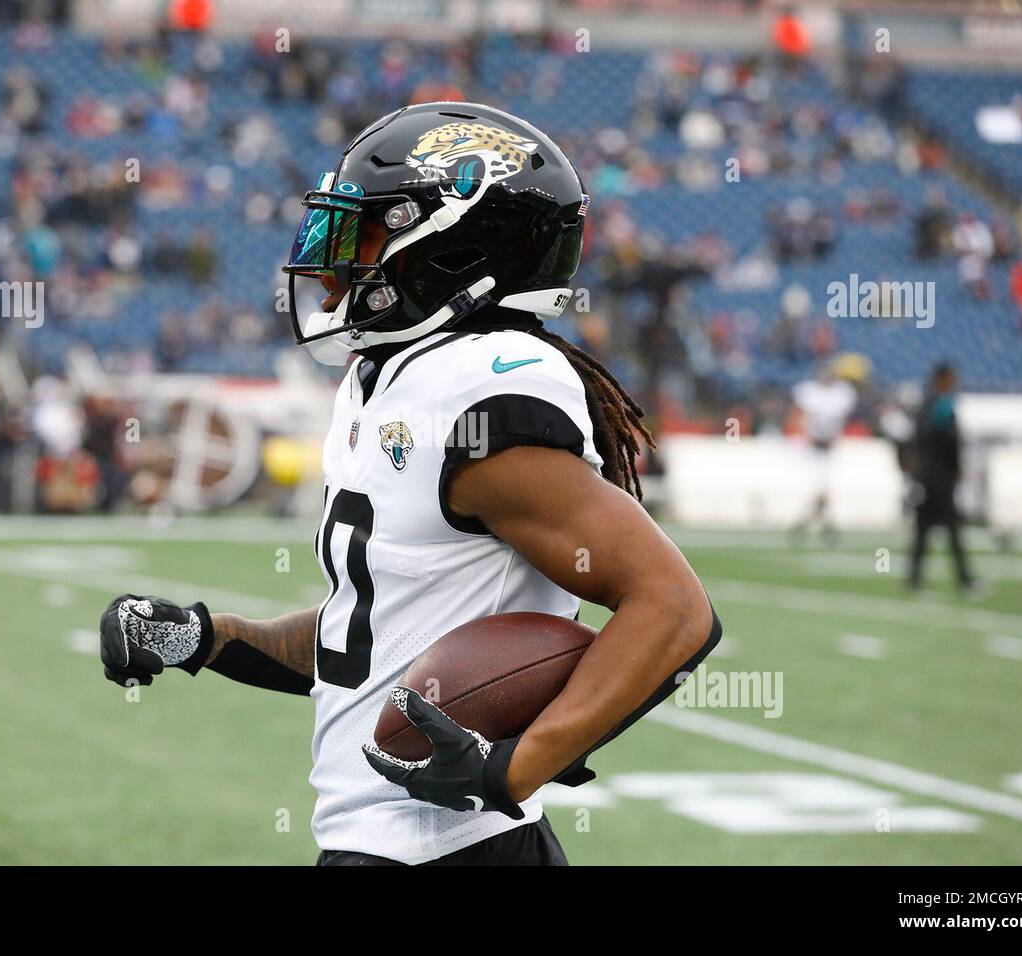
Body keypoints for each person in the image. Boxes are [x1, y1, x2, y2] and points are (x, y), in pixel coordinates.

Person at [95, 103, 721, 865]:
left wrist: (511, 769)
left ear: (449, 249)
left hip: (447, 848)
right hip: (396, 844)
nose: (332, 265)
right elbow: (371, 632)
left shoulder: (477, 389)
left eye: (362, 234)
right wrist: (209, 637)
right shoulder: (386, 382)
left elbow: (674, 607)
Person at [907, 363, 975, 592]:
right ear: (944, 378)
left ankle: (913, 579)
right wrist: (957, 469)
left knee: (922, 530)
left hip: (923, 477)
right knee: (953, 529)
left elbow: (914, 441)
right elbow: (951, 442)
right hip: (942, 478)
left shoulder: (922, 405)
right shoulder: (943, 406)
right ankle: (965, 579)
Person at [790, 363, 857, 542]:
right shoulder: (809, 392)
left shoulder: (842, 394)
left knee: (824, 487)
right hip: (810, 446)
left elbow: (845, 419)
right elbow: (798, 416)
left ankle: (809, 522)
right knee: (819, 487)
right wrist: (805, 434)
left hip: (830, 447)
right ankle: (823, 523)